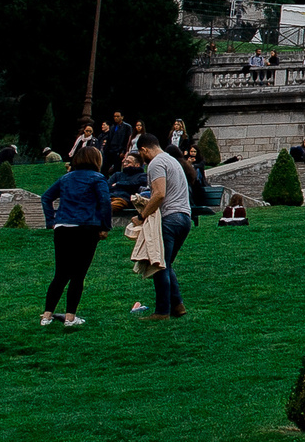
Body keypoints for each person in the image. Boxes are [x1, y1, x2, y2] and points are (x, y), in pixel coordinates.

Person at [38, 146, 112, 326]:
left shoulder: (66, 178)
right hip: (86, 227)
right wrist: (105, 226)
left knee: (61, 274)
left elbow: (46, 197)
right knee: (78, 274)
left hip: (63, 226)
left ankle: (47, 315)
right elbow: (105, 202)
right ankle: (70, 316)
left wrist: (51, 221)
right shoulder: (97, 178)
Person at [130, 133, 193, 318]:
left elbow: (159, 194)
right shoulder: (172, 160)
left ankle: (162, 311)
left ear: (144, 149)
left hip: (170, 219)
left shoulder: (156, 163)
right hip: (184, 217)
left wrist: (142, 215)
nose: (143, 160)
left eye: (141, 155)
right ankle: (178, 306)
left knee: (159, 265)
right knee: (167, 263)